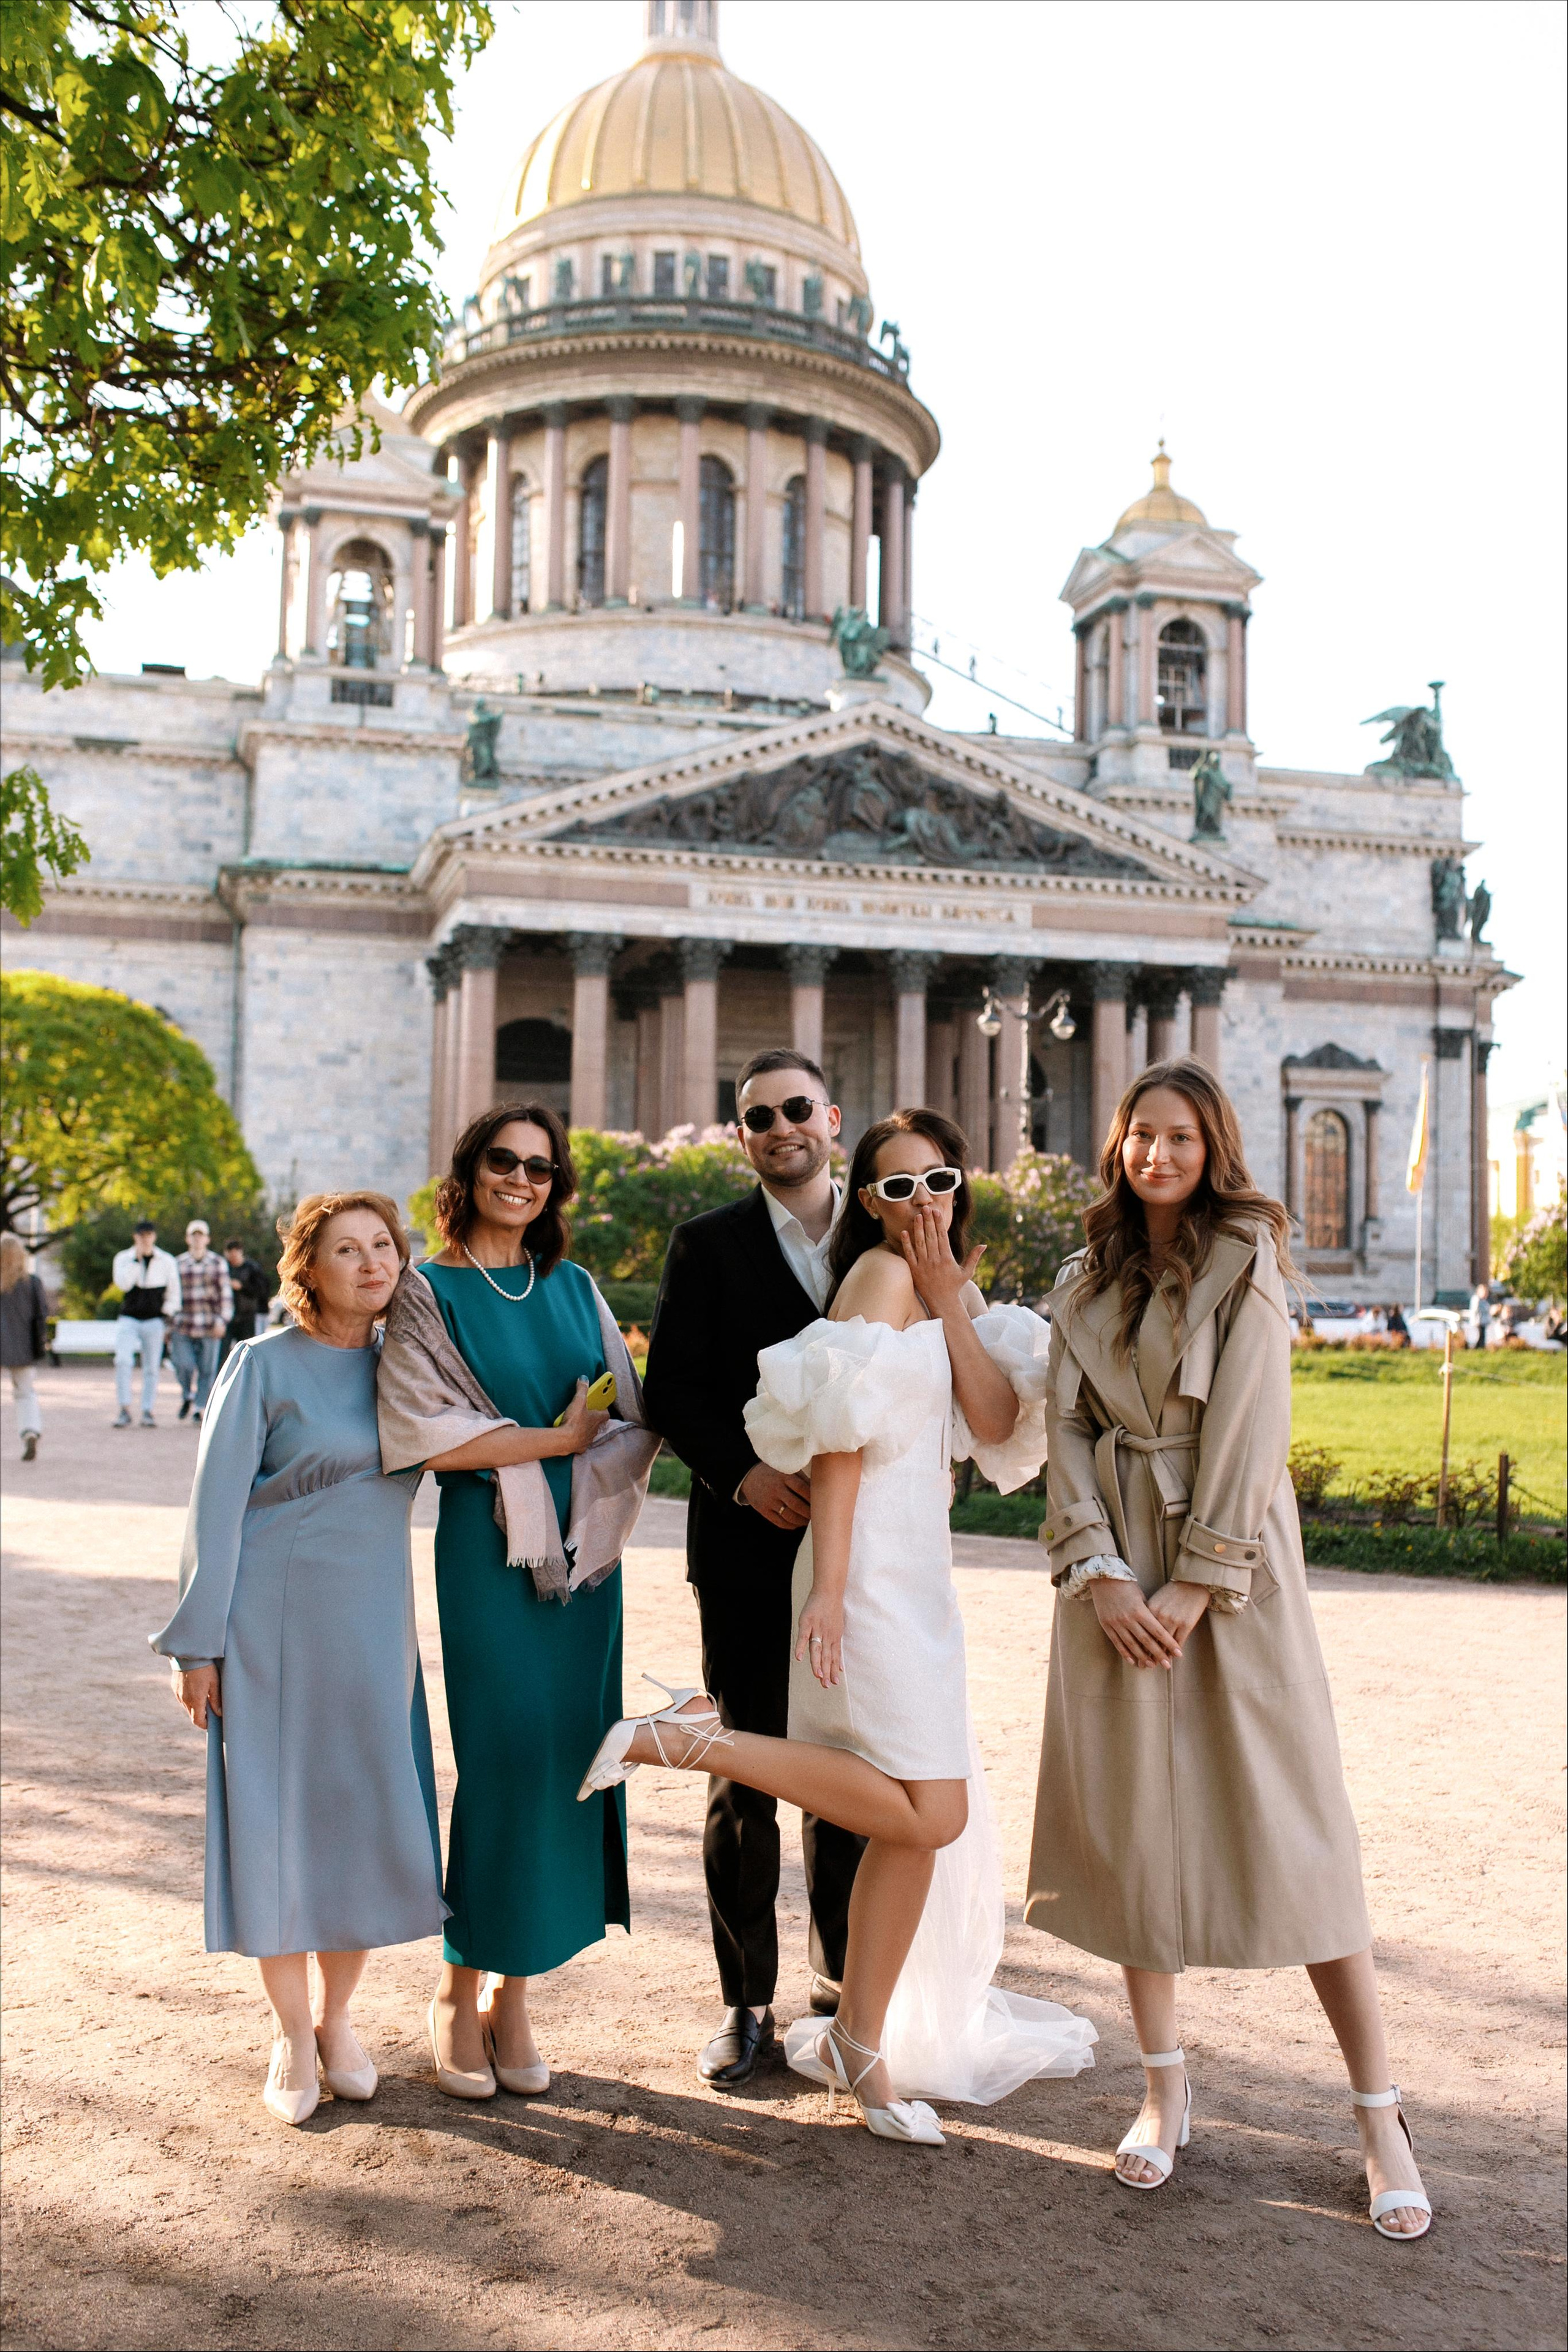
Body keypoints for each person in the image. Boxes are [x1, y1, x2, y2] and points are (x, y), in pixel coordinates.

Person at [586, 1109, 1098, 2144]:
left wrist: (955, 1293)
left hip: (921, 1573)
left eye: (939, 1180)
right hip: (860, 1569)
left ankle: (862, 2046)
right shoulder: (874, 1280)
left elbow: (997, 1427)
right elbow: (839, 1439)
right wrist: (826, 1587)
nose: (922, 1204)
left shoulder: (943, 1289)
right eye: (898, 1187)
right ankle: (692, 1738)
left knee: (920, 1822)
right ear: (866, 1201)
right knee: (929, 1813)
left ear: (963, 1187)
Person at [1023, 1056, 1431, 2240]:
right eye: (1142, 1136)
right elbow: (1064, 1431)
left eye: (1181, 1139)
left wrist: (1194, 1589)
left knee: (1300, 1836)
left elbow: (1252, 1438)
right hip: (1111, 1583)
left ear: (1213, 1151)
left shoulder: (1250, 1265)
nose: (1159, 1156)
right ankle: (1164, 2091)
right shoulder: (1077, 1280)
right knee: (1133, 1837)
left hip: (1232, 1579)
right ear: (1118, 1148)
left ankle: (1378, 2114)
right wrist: (1098, 1577)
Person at [376, 1103, 660, 2101]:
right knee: (500, 1766)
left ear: (555, 1188)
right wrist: (553, 1442)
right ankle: (459, 1991)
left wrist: (587, 1453)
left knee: (566, 1766)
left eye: (541, 1169)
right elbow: (431, 1436)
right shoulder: (424, 1292)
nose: (522, 1180)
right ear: (471, 1169)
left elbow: (627, 1425)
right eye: (505, 1161)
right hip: (486, 1558)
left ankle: (519, 1999)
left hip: (581, 1566)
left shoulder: (576, 1288)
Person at [149, 1193, 448, 2127]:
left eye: (385, 1247)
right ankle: (288, 2034)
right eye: (347, 1249)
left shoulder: (415, 1369)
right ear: (306, 1269)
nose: (373, 1262)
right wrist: (197, 1643)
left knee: (359, 1820)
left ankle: (338, 2022)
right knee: (279, 1824)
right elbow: (214, 1508)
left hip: (374, 1625)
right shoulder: (260, 1365)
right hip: (272, 1625)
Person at [641, 1049, 869, 2090]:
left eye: (795, 1110)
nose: (780, 1128)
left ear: (831, 1117)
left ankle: (841, 1989)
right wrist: (741, 1479)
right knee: (747, 1776)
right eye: (756, 1117)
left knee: (850, 1777)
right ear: (742, 1138)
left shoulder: (885, 1232)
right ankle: (746, 2003)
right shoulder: (707, 1244)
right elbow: (672, 1393)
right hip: (743, 1546)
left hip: (860, 1557)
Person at [111, 1220, 180, 1427]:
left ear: (154, 1236)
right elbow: (123, 1284)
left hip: (153, 1320)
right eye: (142, 1235)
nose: (145, 1239)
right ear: (136, 1237)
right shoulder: (124, 1258)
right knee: (123, 1361)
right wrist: (136, 1261)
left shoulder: (166, 1261)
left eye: (149, 1235)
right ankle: (124, 1408)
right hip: (129, 1318)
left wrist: (166, 1313)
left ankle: (147, 1410)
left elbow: (174, 1292)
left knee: (151, 1367)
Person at [171, 1220, 233, 1422]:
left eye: (201, 1235)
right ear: (188, 1239)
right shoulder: (178, 1263)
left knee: (208, 1370)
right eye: (194, 1235)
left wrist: (222, 1320)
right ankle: (187, 1394)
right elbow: (171, 1295)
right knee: (184, 1365)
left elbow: (225, 1295)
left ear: (207, 1239)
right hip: (183, 1324)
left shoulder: (217, 1263)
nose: (197, 1239)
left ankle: (200, 1408)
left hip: (209, 1325)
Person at [0, 1234, 49, 1461]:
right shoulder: (32, 1283)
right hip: (23, 1347)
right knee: (25, 1393)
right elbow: (41, 1316)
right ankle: (30, 1431)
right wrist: (40, 1344)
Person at [221, 1238, 272, 1363]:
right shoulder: (223, 1268)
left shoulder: (252, 1268)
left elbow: (262, 1290)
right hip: (228, 1317)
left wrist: (242, 1287)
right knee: (222, 1353)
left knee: (247, 1352)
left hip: (247, 1316)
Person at [1465, 1281, 1491, 1352]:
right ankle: (1477, 1349)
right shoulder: (1476, 1299)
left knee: (1482, 1337)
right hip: (1478, 1322)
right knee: (1478, 1337)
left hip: (1483, 1322)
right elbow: (1476, 1310)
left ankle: (1481, 1349)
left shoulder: (1484, 1301)